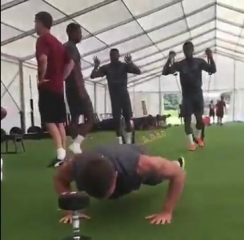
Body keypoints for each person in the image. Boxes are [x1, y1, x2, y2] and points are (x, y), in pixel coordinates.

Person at [54, 144, 186, 225]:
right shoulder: (75, 165)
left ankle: (174, 163)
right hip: (107, 156)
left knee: (156, 179)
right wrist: (71, 210)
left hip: (131, 155)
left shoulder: (142, 165)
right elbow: (60, 180)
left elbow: (179, 175)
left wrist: (167, 211)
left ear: (116, 176)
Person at [35, 12, 74, 167]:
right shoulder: (58, 43)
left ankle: (60, 154)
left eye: (35, 22)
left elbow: (43, 59)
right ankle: (62, 154)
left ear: (40, 23)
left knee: (49, 120)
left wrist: (41, 78)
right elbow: (70, 63)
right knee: (59, 122)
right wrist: (62, 77)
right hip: (58, 87)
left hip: (48, 86)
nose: (35, 26)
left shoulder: (42, 40)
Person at [162, 42, 216, 151]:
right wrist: (169, 59)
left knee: (200, 119)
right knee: (187, 120)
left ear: (193, 50)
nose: (187, 52)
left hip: (197, 94)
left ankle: (198, 137)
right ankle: (191, 143)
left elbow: (212, 69)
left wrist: (210, 56)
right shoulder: (180, 64)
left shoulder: (199, 62)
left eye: (189, 49)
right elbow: (165, 72)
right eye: (185, 50)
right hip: (187, 96)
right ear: (183, 51)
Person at [90, 49, 141, 144]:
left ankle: (130, 140)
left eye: (115, 55)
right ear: (110, 56)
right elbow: (93, 76)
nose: (113, 57)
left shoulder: (124, 66)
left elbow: (138, 71)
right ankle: (120, 140)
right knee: (116, 120)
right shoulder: (107, 68)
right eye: (112, 55)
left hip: (124, 95)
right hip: (115, 97)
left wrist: (130, 63)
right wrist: (96, 66)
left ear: (118, 55)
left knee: (127, 117)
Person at [63, 23, 94, 154]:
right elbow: (73, 69)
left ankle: (76, 148)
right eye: (79, 32)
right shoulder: (71, 48)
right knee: (90, 118)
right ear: (71, 33)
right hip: (76, 87)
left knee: (74, 118)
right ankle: (76, 144)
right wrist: (80, 89)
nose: (81, 35)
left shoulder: (66, 47)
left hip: (70, 88)